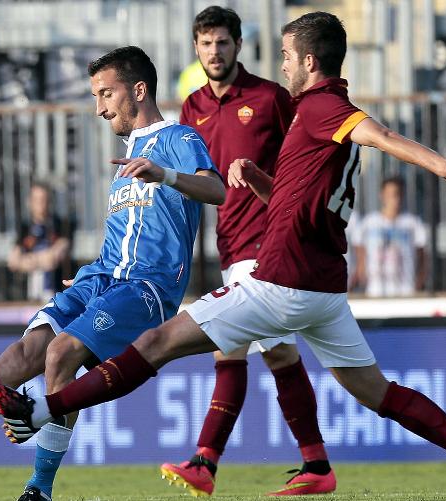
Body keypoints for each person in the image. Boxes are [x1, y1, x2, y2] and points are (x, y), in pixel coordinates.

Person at [0, 12, 446, 501]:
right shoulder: (305, 115)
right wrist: (265, 183)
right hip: (324, 288)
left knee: (156, 342)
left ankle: (41, 409)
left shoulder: (323, 106)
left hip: (280, 283)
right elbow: (305, 207)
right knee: (378, 392)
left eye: (289, 56)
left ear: (311, 61)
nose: (283, 65)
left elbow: (380, 133)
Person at [0, 46, 225, 501]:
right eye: (95, 95)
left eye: (107, 94)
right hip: (100, 279)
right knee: (25, 352)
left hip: (147, 287)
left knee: (61, 354)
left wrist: (164, 176)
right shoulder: (128, 159)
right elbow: (129, 233)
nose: (100, 107)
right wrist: (90, 278)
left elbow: (217, 189)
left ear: (139, 90)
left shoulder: (178, 140)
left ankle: (39, 487)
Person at [160, 6, 334, 497]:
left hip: (269, 243)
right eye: (206, 43)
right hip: (229, 243)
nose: (215, 51)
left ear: (238, 45)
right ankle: (315, 462)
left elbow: (309, 154)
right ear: (196, 49)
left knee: (236, 347)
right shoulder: (191, 107)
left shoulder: (269, 97)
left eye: (223, 42)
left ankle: (206, 460)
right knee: (275, 354)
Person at [351, 176, 428, 297]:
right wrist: (361, 270)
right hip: (375, 291)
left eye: (399, 194)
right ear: (382, 195)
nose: (395, 199)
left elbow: (423, 257)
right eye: (391, 194)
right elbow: (359, 249)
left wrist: (419, 282)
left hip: (406, 291)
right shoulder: (369, 222)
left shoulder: (413, 223)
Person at [7, 181, 71, 303]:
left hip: (56, 296)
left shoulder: (60, 225)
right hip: (28, 297)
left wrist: (27, 260)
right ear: (29, 202)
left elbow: (52, 259)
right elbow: (13, 262)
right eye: (36, 199)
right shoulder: (25, 228)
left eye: (44, 199)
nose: (40, 204)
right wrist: (39, 260)